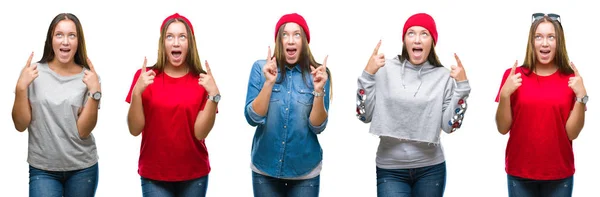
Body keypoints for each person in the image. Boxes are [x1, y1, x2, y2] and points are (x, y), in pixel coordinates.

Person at [356, 13, 471, 197]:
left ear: (432, 41)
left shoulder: (444, 76)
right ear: (404, 40)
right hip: (390, 169)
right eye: (411, 33)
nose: (417, 39)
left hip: (431, 169)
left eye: (424, 34)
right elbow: (364, 115)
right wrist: (367, 75)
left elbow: (451, 126)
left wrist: (462, 87)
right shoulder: (384, 68)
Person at [125, 13, 220, 197]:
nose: (176, 43)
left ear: (189, 43)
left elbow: (200, 133)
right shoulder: (144, 77)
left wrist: (213, 95)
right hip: (154, 175)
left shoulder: (202, 80)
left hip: (194, 174)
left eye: (182, 37)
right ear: (163, 43)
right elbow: (134, 129)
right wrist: (137, 92)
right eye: (170, 37)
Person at [494, 13, 587, 197]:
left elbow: (572, 133)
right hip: (519, 174)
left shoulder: (571, 79)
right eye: (539, 37)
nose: (545, 43)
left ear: (558, 42)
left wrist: (581, 96)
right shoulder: (513, 76)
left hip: (560, 176)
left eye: (551, 37)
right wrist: (505, 94)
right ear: (532, 41)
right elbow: (502, 128)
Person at [11, 13, 101, 197]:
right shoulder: (32, 74)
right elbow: (20, 125)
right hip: (43, 168)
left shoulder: (90, 78)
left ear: (78, 41)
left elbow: (83, 131)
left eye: (72, 35)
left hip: (82, 168)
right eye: (59, 35)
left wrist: (95, 93)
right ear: (50, 39)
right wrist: (21, 88)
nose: (65, 41)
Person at [243, 13, 332, 197]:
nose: (291, 40)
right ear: (278, 40)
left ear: (305, 41)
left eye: (297, 34)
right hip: (264, 169)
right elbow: (253, 118)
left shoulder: (318, 75)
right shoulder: (261, 69)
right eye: (285, 34)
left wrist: (318, 90)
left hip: (305, 172)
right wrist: (269, 83)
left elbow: (317, 126)